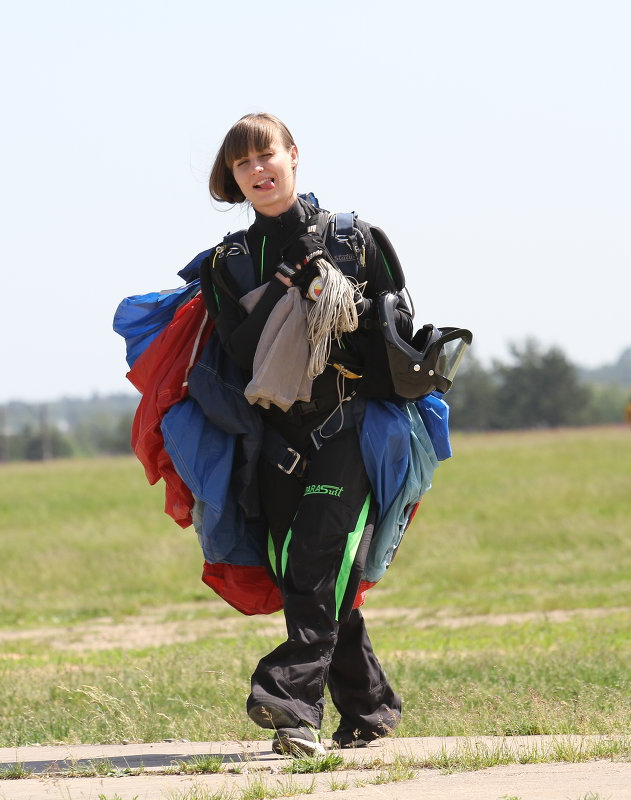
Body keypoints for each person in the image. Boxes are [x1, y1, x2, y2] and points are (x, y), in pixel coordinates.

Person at [196, 112, 410, 757]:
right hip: (272, 436)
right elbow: (233, 350)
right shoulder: (229, 262)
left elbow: (398, 329)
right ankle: (369, 708)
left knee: (319, 561)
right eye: (243, 164)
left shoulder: (355, 239)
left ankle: (289, 701)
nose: (258, 171)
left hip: (349, 425)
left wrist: (334, 293)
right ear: (233, 177)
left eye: (267, 157)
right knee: (301, 574)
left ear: (294, 155)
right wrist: (284, 287)